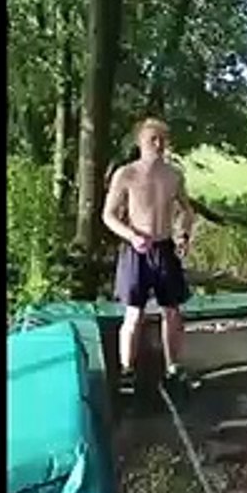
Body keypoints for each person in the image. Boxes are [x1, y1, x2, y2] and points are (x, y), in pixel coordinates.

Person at [102, 118, 196, 395]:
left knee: (172, 312)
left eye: (162, 139)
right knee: (134, 314)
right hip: (137, 249)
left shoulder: (173, 175)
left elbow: (187, 211)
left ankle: (174, 368)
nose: (159, 144)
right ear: (140, 142)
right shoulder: (126, 174)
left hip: (164, 247)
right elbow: (107, 215)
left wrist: (184, 235)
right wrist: (131, 235)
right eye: (153, 139)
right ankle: (127, 371)